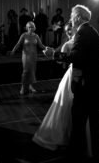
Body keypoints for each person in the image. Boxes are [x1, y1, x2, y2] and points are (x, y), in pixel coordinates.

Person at [47, 4, 99, 162]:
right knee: (94, 120)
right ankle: (96, 152)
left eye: (73, 16)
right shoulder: (91, 31)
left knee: (78, 120)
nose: (71, 19)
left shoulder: (82, 33)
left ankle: (76, 153)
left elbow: (75, 57)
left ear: (79, 17)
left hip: (85, 86)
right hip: (94, 84)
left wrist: (54, 54)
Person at [32, 21, 77, 150]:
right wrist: (52, 53)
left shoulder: (72, 43)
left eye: (70, 29)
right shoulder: (67, 43)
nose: (68, 32)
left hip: (75, 73)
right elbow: (59, 58)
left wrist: (54, 55)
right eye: (66, 30)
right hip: (71, 72)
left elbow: (60, 58)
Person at [11, 21, 48, 95]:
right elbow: (18, 44)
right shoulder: (24, 35)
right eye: (29, 27)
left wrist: (49, 49)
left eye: (32, 27)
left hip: (34, 56)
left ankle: (31, 86)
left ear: (34, 28)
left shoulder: (36, 36)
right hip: (26, 56)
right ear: (27, 28)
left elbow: (41, 45)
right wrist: (13, 50)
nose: (31, 28)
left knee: (32, 71)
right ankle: (23, 87)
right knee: (25, 71)